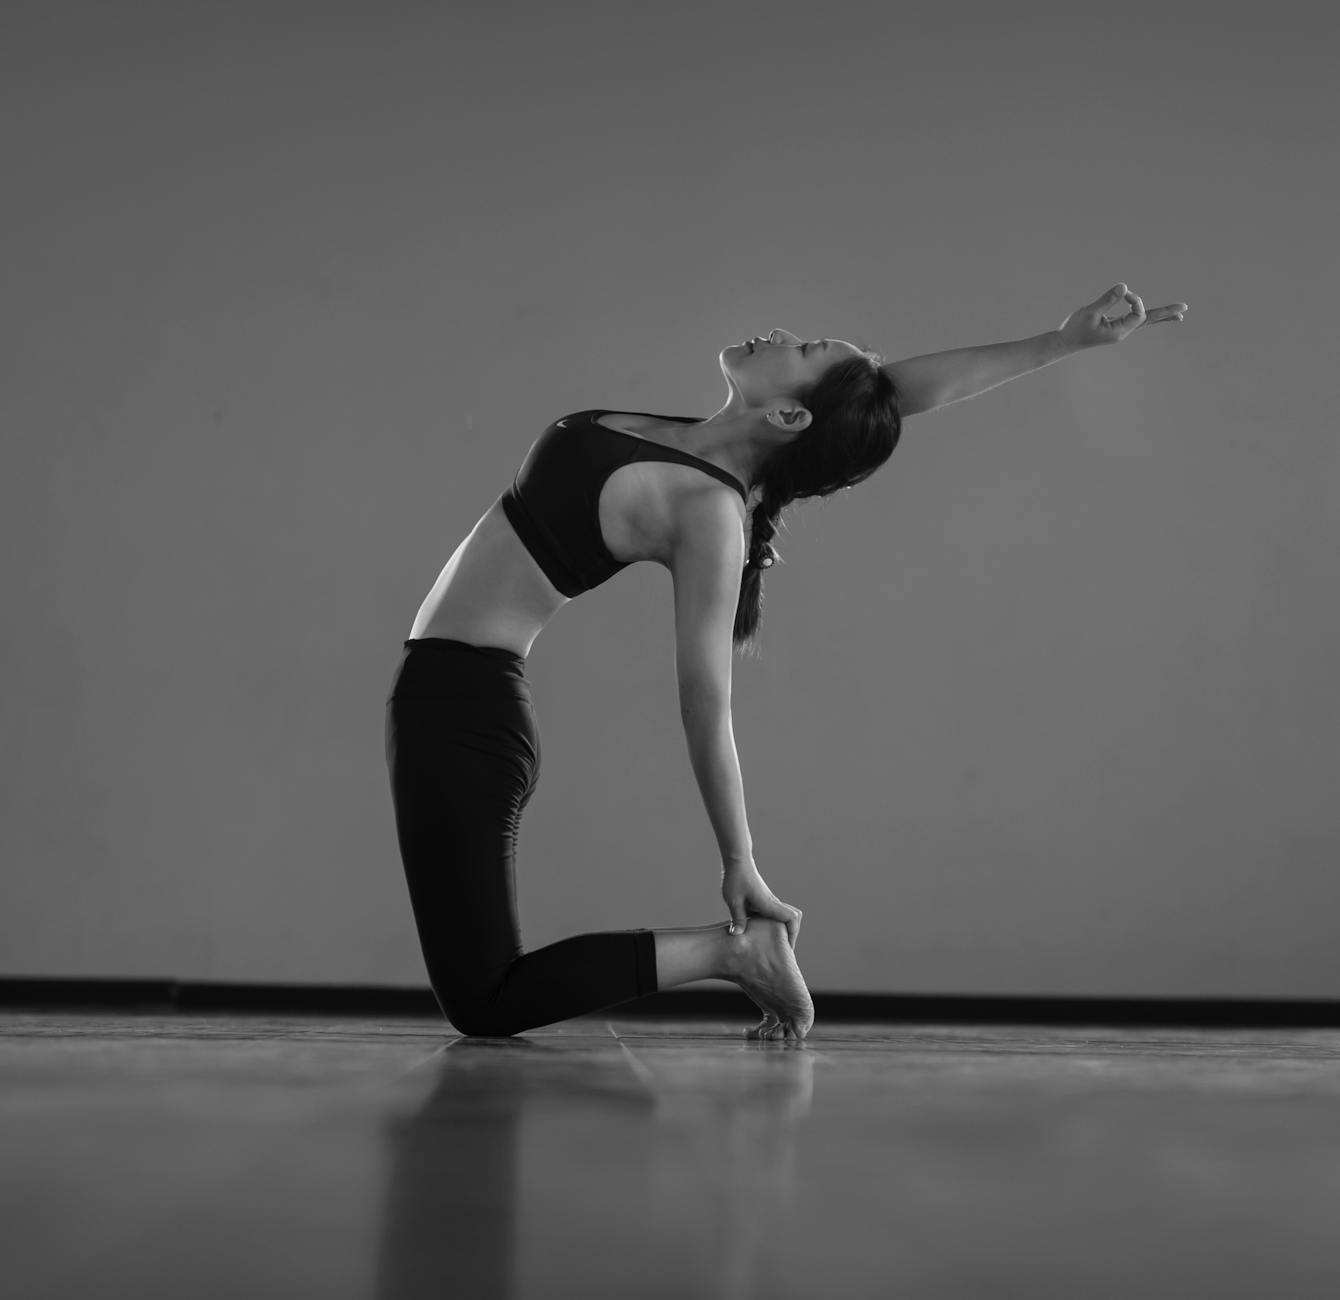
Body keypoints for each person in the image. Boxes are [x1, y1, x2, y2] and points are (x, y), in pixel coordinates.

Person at [384, 284, 1188, 1041]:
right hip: (448, 696)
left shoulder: (709, 511)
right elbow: (888, 392)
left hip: (464, 711)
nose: (778, 333)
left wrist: (740, 862)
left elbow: (706, 702)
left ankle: (730, 953)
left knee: (486, 999)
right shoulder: (704, 441)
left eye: (801, 347)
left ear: (789, 412)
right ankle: (729, 952)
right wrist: (1060, 341)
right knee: (480, 989)